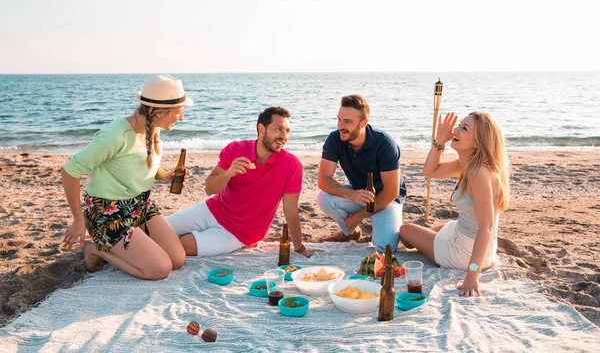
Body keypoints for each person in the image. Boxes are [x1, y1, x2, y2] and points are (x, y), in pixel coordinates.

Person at [61, 75, 191, 280]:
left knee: (177, 259)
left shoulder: (153, 129)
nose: (182, 118)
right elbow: (69, 171)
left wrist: (165, 175)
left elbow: (138, 163)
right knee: (160, 269)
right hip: (107, 212)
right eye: (179, 112)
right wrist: (78, 221)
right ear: (161, 113)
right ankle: (96, 249)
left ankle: (133, 245)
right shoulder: (115, 135)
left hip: (139, 205)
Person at [167, 106, 321, 258]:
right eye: (278, 129)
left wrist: (299, 247)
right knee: (158, 229)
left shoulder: (291, 165)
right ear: (262, 129)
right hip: (212, 210)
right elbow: (209, 189)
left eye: (287, 131)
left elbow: (290, 208)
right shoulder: (236, 149)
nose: (284, 136)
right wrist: (228, 173)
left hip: (240, 233)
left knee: (184, 244)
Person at [400, 112, 511, 297]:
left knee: (406, 231)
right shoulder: (468, 164)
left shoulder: (479, 174)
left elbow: (486, 227)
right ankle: (433, 243)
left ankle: (436, 248)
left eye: (464, 128)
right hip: (463, 233)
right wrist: (439, 141)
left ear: (478, 142)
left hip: (465, 252)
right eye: (459, 126)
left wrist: (472, 275)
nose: (456, 131)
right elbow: (429, 171)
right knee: (428, 231)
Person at [317, 95, 406, 253]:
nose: (341, 126)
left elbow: (392, 192)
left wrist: (359, 216)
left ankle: (376, 224)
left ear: (363, 123)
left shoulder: (385, 143)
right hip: (359, 195)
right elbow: (324, 180)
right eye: (339, 119)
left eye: (348, 121)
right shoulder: (335, 139)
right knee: (324, 198)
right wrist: (350, 194)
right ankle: (350, 232)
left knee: (385, 248)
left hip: (386, 200)